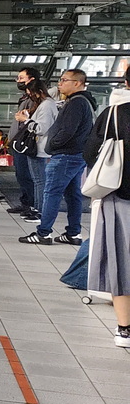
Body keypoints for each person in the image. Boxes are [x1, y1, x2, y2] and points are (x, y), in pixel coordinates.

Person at [21, 68, 96, 247]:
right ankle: (73, 233)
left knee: (51, 193)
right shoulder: (84, 101)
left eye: (64, 80)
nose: (59, 84)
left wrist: (53, 145)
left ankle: (43, 233)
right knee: (73, 194)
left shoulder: (77, 103)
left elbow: (67, 131)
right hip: (76, 154)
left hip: (66, 155)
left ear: (77, 83)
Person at [85, 69, 130, 346]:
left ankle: (124, 329)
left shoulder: (114, 114)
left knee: (121, 261)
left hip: (120, 196)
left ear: (126, 83)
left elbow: (90, 153)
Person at [9, 78, 53, 220]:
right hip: (38, 148)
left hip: (40, 148)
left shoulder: (46, 106)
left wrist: (26, 121)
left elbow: (41, 128)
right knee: (37, 180)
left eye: (31, 94)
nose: (30, 97)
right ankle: (36, 208)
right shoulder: (45, 105)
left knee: (39, 181)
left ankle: (39, 211)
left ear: (39, 92)